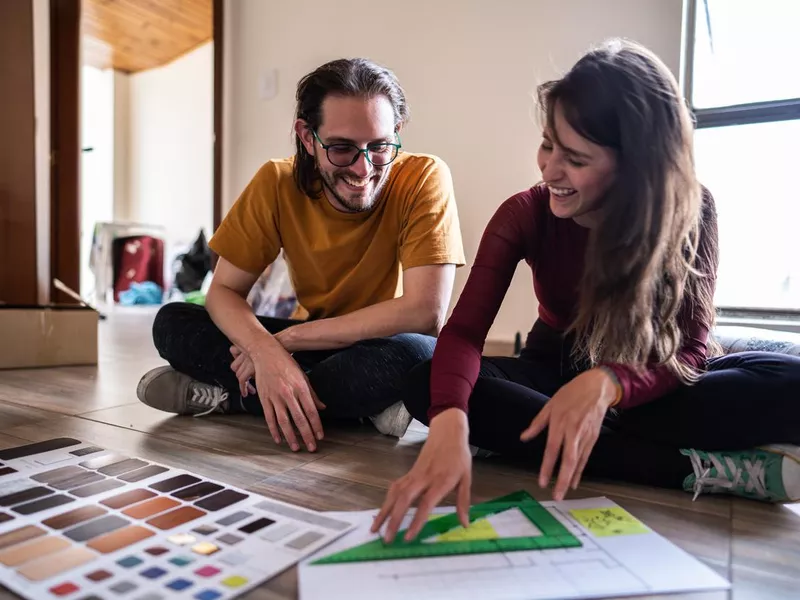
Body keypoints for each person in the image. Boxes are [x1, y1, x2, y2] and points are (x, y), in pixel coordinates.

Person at [373, 39, 800, 543]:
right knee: (426, 384)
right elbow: (465, 332)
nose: (549, 169)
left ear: (636, 166)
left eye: (574, 157)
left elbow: (686, 350)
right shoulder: (523, 213)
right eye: (547, 144)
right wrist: (448, 421)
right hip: (555, 369)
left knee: (790, 383)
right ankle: (685, 467)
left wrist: (609, 385)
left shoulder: (692, 209)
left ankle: (559, 440)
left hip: (651, 377)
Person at [136, 58, 465, 451]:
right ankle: (360, 407)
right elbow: (223, 290)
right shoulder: (276, 182)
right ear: (307, 137)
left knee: (417, 355)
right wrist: (265, 350)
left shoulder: (425, 176)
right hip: (315, 345)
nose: (363, 169)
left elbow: (424, 311)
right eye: (342, 149)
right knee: (172, 321)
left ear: (396, 133)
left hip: (382, 343)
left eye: (379, 147)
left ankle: (238, 398)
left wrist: (286, 343)